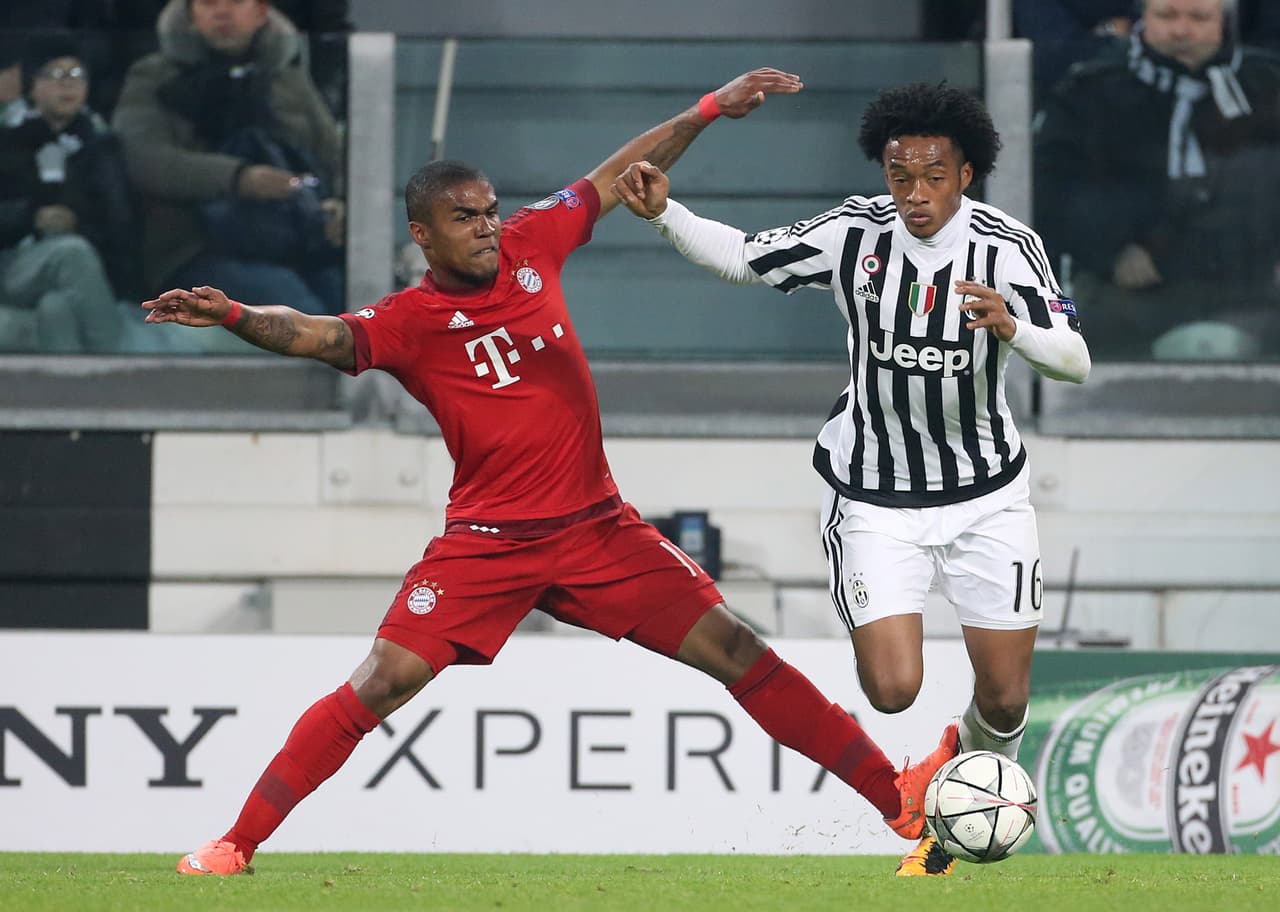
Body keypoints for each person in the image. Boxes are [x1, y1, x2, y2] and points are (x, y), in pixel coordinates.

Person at [143, 68, 960, 876]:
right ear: (422, 234)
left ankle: (894, 798)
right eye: (465, 218)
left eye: (491, 210)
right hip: (488, 543)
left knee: (738, 649)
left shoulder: (535, 242)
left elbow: (618, 174)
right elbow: (314, 335)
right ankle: (235, 844)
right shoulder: (405, 322)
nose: (487, 227)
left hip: (599, 530)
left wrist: (709, 106)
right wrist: (237, 316)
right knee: (383, 680)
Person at [610, 81, 1090, 877]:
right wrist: (666, 214)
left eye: (934, 176)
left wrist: (1014, 326)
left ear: (966, 175)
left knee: (1005, 701)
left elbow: (1074, 361)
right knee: (893, 690)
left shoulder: (1009, 247)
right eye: (901, 176)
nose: (916, 194)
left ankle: (954, 800)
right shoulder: (854, 233)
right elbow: (743, 259)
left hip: (986, 496)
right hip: (875, 494)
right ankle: (948, 793)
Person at [1034, 0, 1280, 360]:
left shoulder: (1268, 84)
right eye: (1167, 15)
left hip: (1256, 286)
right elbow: (1052, 187)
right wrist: (1109, 250)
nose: (1181, 30)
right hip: (1130, 290)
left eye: (1199, 17)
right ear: (1143, 18)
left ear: (1223, 22)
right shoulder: (1089, 88)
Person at [113, 0, 345, 344]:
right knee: (304, 313)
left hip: (296, 240)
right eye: (208, 3)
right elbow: (142, 159)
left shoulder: (288, 79)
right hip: (195, 247)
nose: (222, 11)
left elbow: (333, 156)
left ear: (262, 12)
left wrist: (339, 202)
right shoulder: (154, 76)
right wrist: (237, 178)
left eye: (235, 2)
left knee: (352, 302)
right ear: (190, 17)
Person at [0, 48, 127, 353]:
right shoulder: (6, 141)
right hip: (12, 260)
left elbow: (119, 220)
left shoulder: (102, 147)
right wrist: (31, 217)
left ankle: (74, 397)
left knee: (57, 309)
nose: (68, 85)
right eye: (56, 75)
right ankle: (124, 367)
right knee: (72, 253)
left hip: (87, 269)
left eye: (76, 76)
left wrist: (78, 221)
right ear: (32, 85)